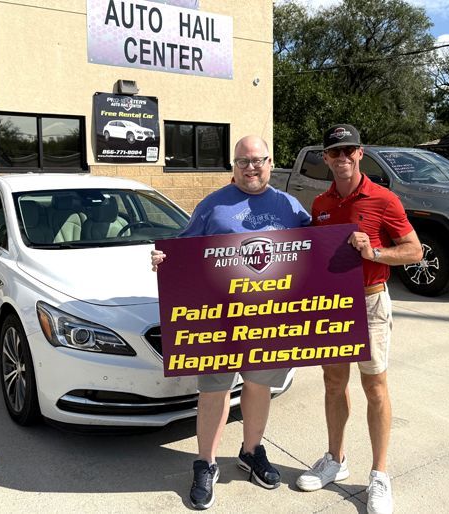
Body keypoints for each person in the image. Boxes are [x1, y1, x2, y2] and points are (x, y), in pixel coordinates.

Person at [152, 135, 311, 510]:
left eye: (258, 160)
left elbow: (316, 252)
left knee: (258, 386)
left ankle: (251, 451)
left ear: (271, 163)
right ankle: (206, 463)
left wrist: (349, 242)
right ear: (233, 166)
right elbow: (184, 250)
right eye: (243, 161)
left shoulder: (290, 206)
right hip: (218, 319)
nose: (251, 167)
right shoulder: (212, 205)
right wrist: (164, 259)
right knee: (214, 391)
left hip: (270, 319)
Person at [295, 124, 423, 514]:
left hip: (369, 302)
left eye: (349, 150)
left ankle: (380, 474)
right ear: (326, 157)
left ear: (360, 153)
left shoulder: (384, 200)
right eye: (335, 152)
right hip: (333, 306)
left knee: (375, 388)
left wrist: (375, 253)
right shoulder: (320, 204)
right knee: (334, 384)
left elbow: (414, 251)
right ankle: (336, 459)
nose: (343, 158)